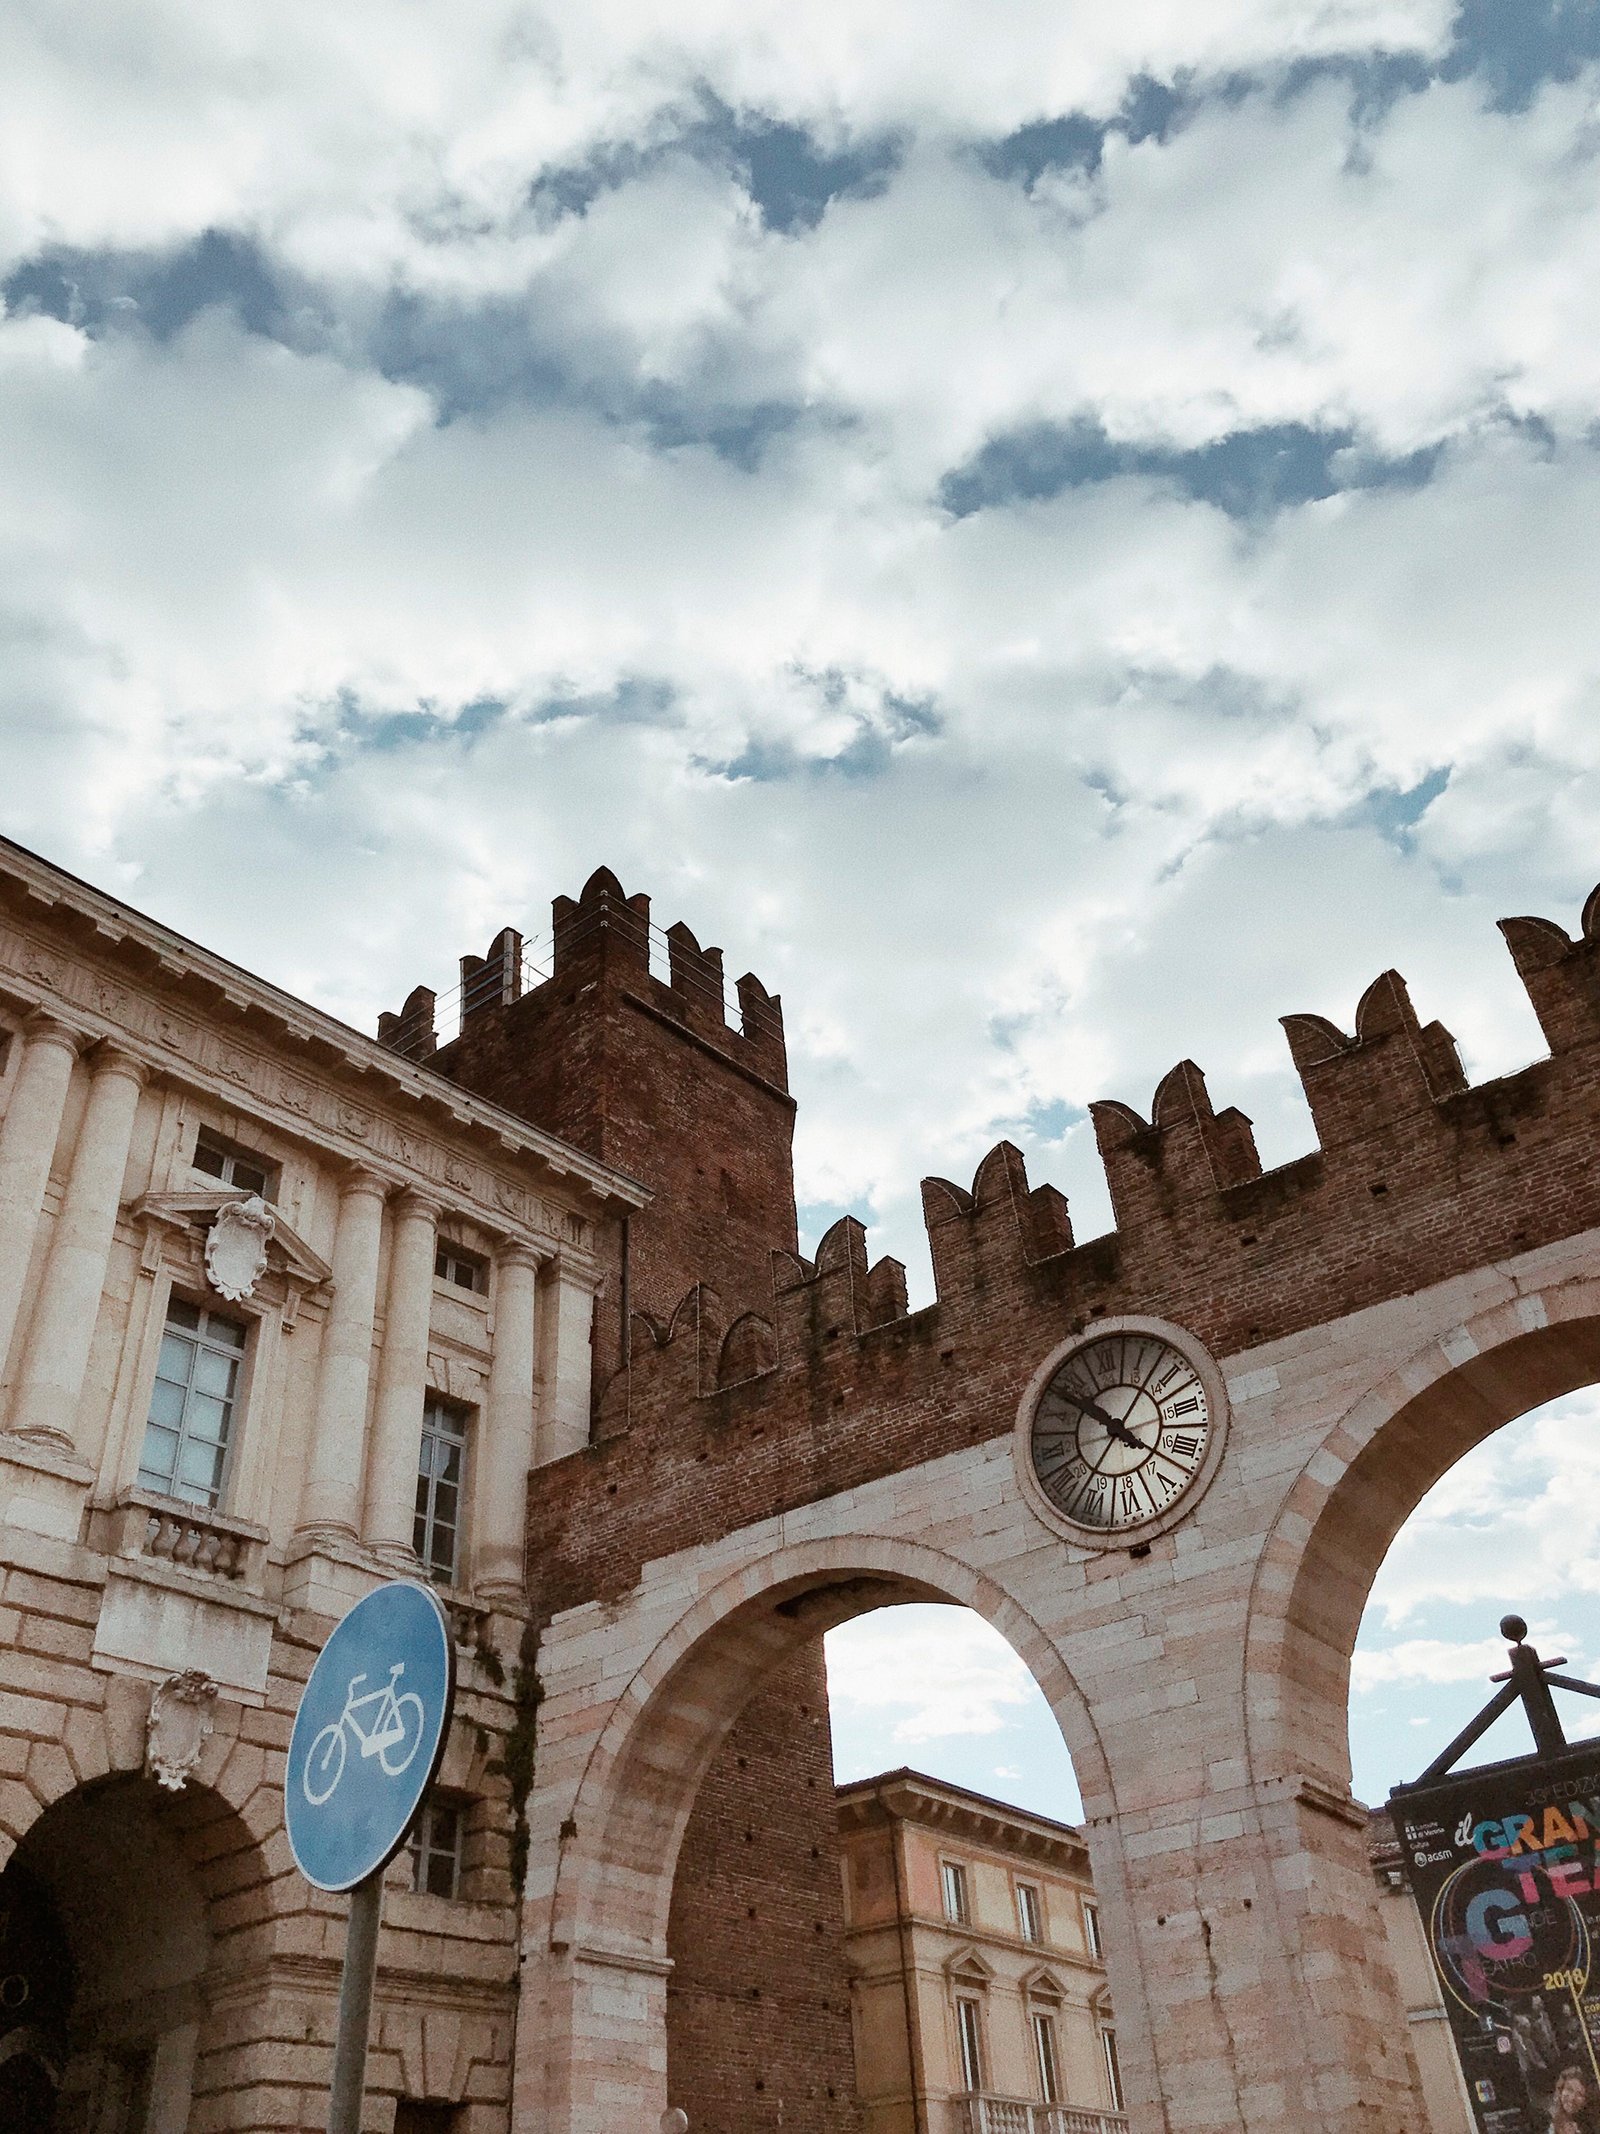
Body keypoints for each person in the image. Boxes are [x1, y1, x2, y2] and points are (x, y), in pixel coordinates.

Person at [1548, 2063, 1595, 2134]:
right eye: (1569, 2089)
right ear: (1561, 2090)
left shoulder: (1583, 2128)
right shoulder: (1545, 2119)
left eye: (1579, 2094)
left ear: (1585, 2101)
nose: (1572, 2098)